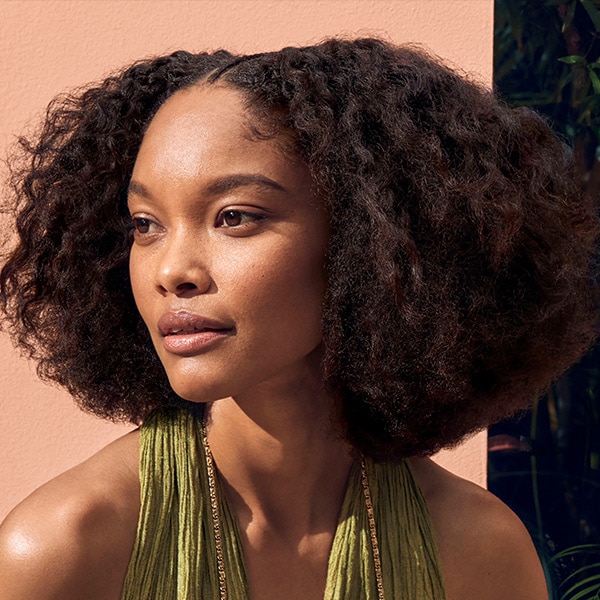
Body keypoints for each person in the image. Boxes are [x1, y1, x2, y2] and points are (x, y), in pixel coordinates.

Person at [0, 38, 596, 600]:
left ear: (368, 237)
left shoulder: (479, 556)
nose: (172, 270)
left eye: (234, 217)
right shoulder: (63, 550)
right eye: (145, 224)